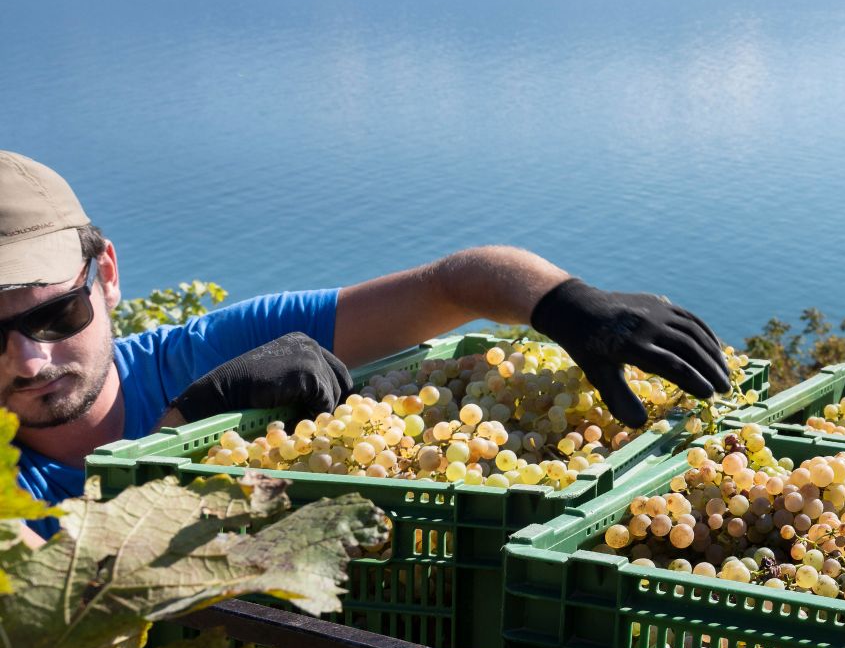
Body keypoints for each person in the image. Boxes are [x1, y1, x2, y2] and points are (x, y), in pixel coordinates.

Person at [0, 150, 731, 541]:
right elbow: (66, 588)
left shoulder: (198, 352)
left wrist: (562, 302)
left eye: (56, 315)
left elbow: (454, 284)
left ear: (107, 276)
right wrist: (182, 431)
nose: (28, 360)